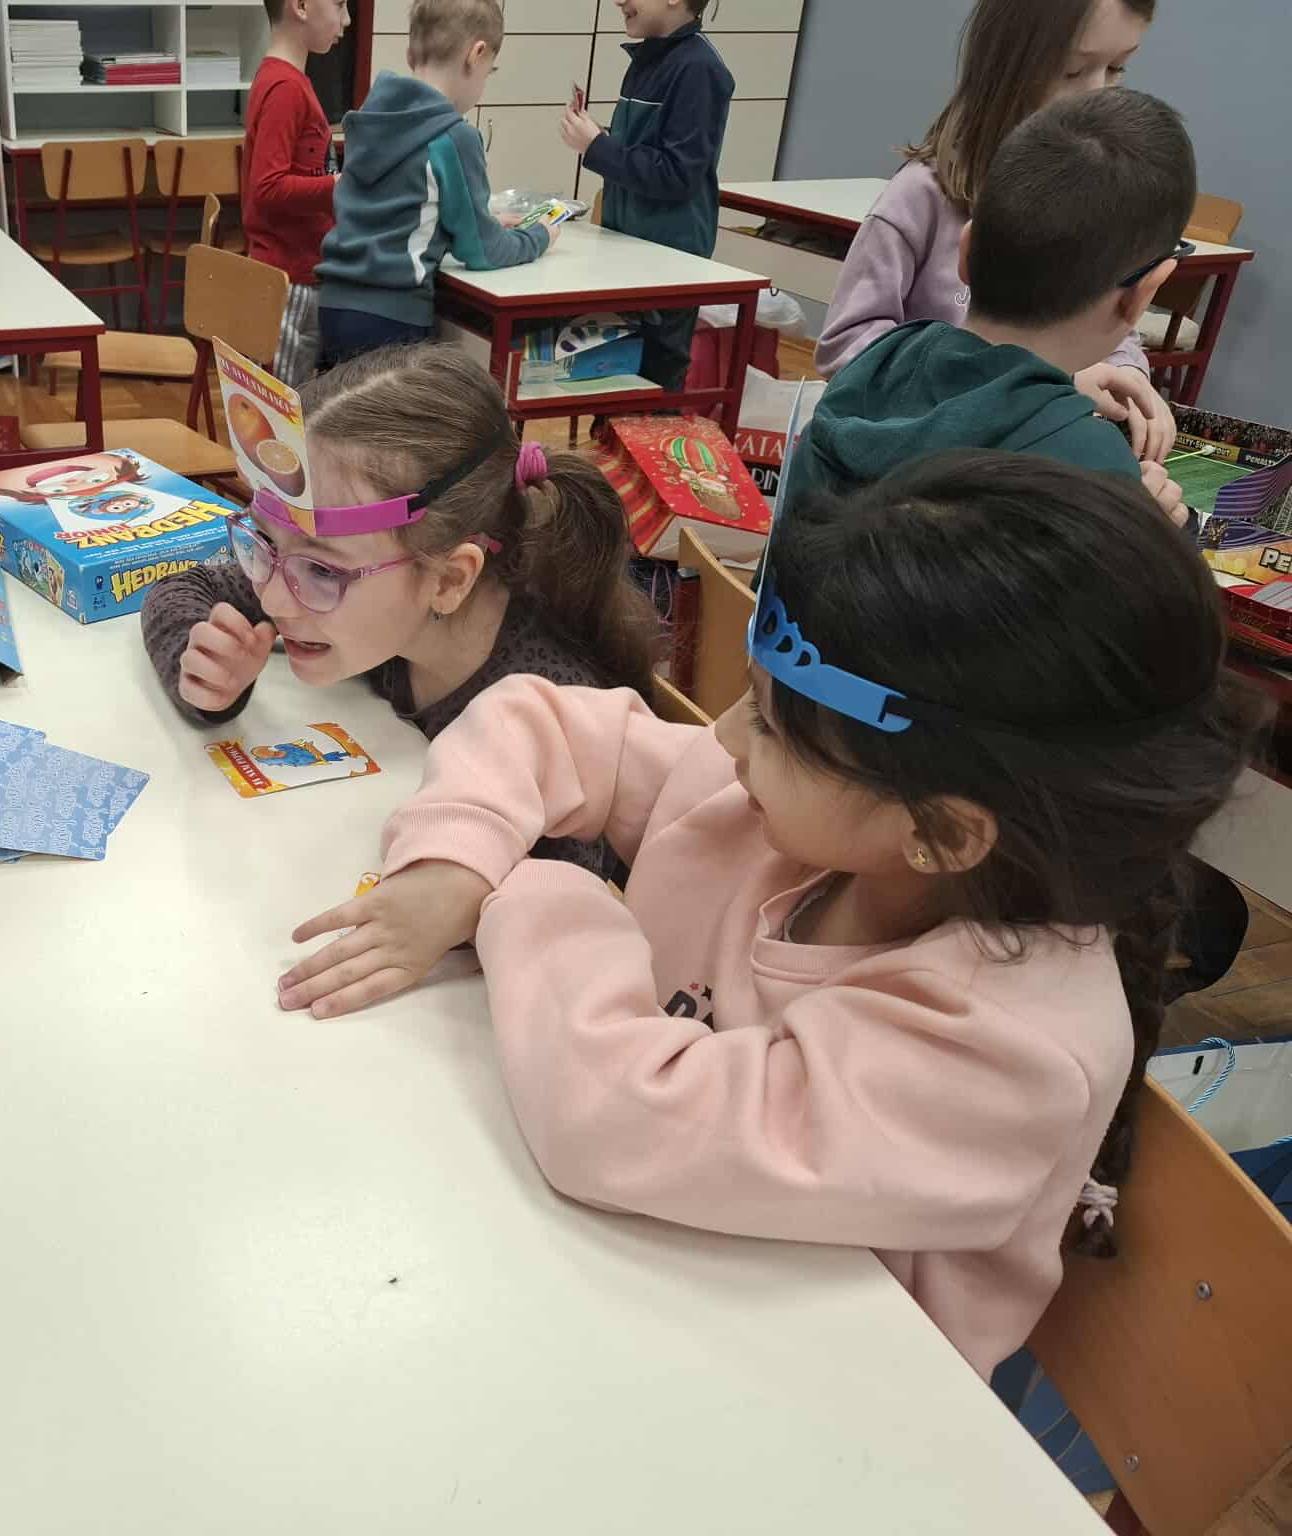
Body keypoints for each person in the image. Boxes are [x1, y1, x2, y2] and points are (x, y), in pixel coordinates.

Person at [277, 451, 1259, 1377]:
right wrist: (454, 859)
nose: (727, 735)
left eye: (774, 724)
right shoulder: (786, 815)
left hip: (811, 1401)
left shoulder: (1007, 1051)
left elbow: (617, 1121)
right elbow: (539, 718)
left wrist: (534, 891)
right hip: (641, 1287)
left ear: (942, 832)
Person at [141, 344, 655, 879]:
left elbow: (566, 904)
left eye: (323, 572)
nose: (271, 598)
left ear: (450, 580)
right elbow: (186, 586)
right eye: (265, 543)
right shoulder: (343, 586)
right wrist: (207, 671)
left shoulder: (552, 725)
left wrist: (461, 892)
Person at [789, 88, 1194, 524]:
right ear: (1142, 295)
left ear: (965, 251)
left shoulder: (874, 368)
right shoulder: (1094, 469)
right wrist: (1143, 528)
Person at [817, 0, 1176, 459]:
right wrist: (1043, 387)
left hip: (1023, 460)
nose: (1097, 96)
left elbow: (1107, 318)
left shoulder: (1090, 198)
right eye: (1072, 71)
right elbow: (846, 349)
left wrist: (1127, 372)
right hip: (914, 467)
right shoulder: (920, 198)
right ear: (1006, 69)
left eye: (1117, 69)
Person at [313, 0, 555, 370]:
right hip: (393, 317)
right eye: (488, 73)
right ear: (476, 55)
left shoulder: (371, 119)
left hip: (334, 304)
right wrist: (538, 236)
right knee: (395, 411)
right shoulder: (453, 136)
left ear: (410, 54)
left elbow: (403, 209)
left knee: (343, 407)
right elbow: (483, 250)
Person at [558, 0, 733, 390]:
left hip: (668, 262)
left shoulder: (699, 69)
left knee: (653, 389)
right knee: (613, 380)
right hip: (628, 252)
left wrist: (598, 147)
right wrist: (600, 139)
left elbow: (677, 175)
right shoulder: (650, 59)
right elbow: (644, 152)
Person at [242, 0, 349, 384]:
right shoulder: (285, 87)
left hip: (298, 274)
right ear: (301, 6)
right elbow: (267, 187)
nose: (346, 19)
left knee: (289, 403)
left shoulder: (289, 81)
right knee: (279, 407)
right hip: (287, 280)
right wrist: (338, 186)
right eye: (340, 4)